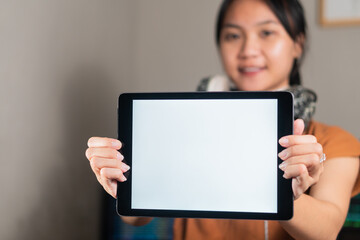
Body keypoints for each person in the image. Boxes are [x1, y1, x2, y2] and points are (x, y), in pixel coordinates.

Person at [85, 0, 360, 239]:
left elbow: (326, 231)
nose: (248, 49)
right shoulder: (183, 128)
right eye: (232, 36)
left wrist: (284, 196)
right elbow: (136, 218)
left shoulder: (332, 142)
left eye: (266, 32)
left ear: (297, 44)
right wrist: (122, 187)